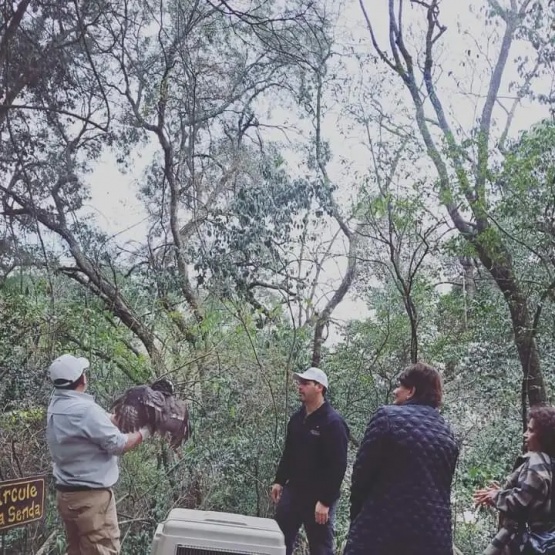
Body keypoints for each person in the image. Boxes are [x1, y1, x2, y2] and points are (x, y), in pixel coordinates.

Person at [344, 362, 459, 555]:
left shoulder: (387, 417)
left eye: (400, 386)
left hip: (381, 532)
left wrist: (357, 518)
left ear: (412, 391)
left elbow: (361, 475)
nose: (395, 391)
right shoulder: (447, 433)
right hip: (434, 538)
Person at [46, 353, 151, 555]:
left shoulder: (57, 404)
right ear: (82, 379)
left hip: (67, 495)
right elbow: (120, 444)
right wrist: (146, 430)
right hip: (90, 500)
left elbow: (103, 420)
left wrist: (129, 417)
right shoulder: (85, 411)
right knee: (102, 550)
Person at [270, 367, 349, 555]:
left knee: (320, 548)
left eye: (305, 383)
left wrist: (325, 501)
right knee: (278, 540)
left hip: (319, 498)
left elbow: (338, 465)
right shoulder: (297, 419)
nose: (300, 387)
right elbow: (289, 453)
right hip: (294, 492)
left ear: (319, 387)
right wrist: (279, 480)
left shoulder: (333, 423)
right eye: (300, 383)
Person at [474, 406, 555, 555]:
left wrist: (495, 496)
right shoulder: (550, 463)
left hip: (523, 543)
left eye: (531, 431)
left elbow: (521, 501)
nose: (525, 435)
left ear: (544, 436)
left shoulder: (536, 462)